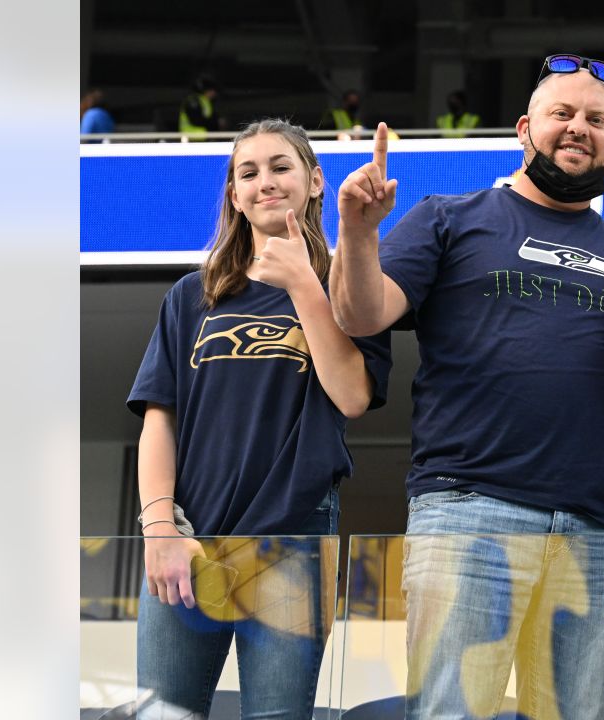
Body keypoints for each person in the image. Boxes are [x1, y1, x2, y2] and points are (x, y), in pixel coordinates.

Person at [330, 54, 604, 719]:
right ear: (523, 128)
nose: (578, 129)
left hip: (599, 533)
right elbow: (362, 314)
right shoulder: (450, 216)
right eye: (562, 114)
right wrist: (358, 233)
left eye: (596, 119)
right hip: (471, 514)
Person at [127, 118, 392, 719]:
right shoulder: (191, 296)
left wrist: (304, 285)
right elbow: (158, 422)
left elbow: (352, 396)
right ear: (233, 195)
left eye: (281, 167)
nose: (265, 181)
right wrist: (160, 529)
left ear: (316, 181)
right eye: (248, 173)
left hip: (292, 538)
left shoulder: (351, 288)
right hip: (189, 540)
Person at [179, 73, 225, 140]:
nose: (214, 94)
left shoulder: (206, 101)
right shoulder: (193, 101)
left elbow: (210, 117)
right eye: (213, 91)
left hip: (202, 136)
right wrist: (216, 122)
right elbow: (196, 120)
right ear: (208, 90)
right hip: (190, 137)